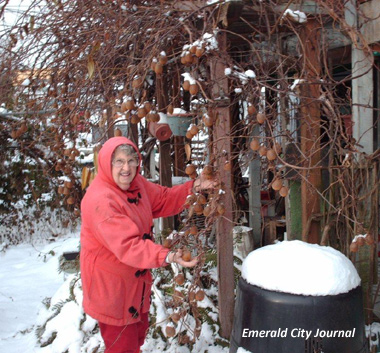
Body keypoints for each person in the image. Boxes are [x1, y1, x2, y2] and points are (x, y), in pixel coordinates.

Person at [80, 136, 213, 353]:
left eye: (132, 160)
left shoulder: (136, 184)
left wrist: (195, 187)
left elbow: (163, 199)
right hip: (112, 291)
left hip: (134, 285)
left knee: (136, 340)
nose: (127, 168)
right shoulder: (101, 201)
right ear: (106, 163)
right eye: (119, 162)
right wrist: (167, 256)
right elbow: (129, 246)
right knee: (122, 347)